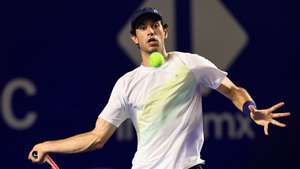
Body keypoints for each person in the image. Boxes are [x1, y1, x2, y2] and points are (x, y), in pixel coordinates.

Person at [28, 7, 290, 169]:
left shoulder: (190, 63)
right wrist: (48, 145)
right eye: (142, 28)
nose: (150, 32)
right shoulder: (126, 84)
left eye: (155, 26)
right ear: (134, 38)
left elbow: (233, 90)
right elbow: (97, 138)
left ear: (164, 31)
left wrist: (251, 109)